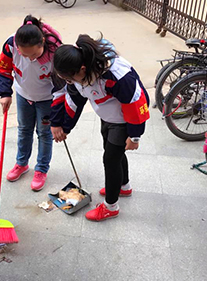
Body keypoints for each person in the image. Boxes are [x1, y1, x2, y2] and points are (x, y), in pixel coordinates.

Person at [50, 34, 150, 222]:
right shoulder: (77, 75)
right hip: (108, 114)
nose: (69, 82)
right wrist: (65, 127)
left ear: (82, 69)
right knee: (115, 153)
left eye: (71, 78)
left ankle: (111, 207)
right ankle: (123, 186)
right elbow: (75, 99)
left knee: (110, 159)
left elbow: (136, 103)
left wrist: (135, 135)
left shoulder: (117, 75)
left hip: (124, 119)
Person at [0, 15, 64, 191]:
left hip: (46, 98)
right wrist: (5, 93)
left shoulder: (55, 52)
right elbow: (3, 67)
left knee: (44, 133)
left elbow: (61, 86)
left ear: (42, 42)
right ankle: (21, 163)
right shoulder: (11, 44)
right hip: (23, 94)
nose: (31, 58)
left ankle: (41, 169)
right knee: (24, 129)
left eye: (34, 54)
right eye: (25, 54)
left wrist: (58, 118)